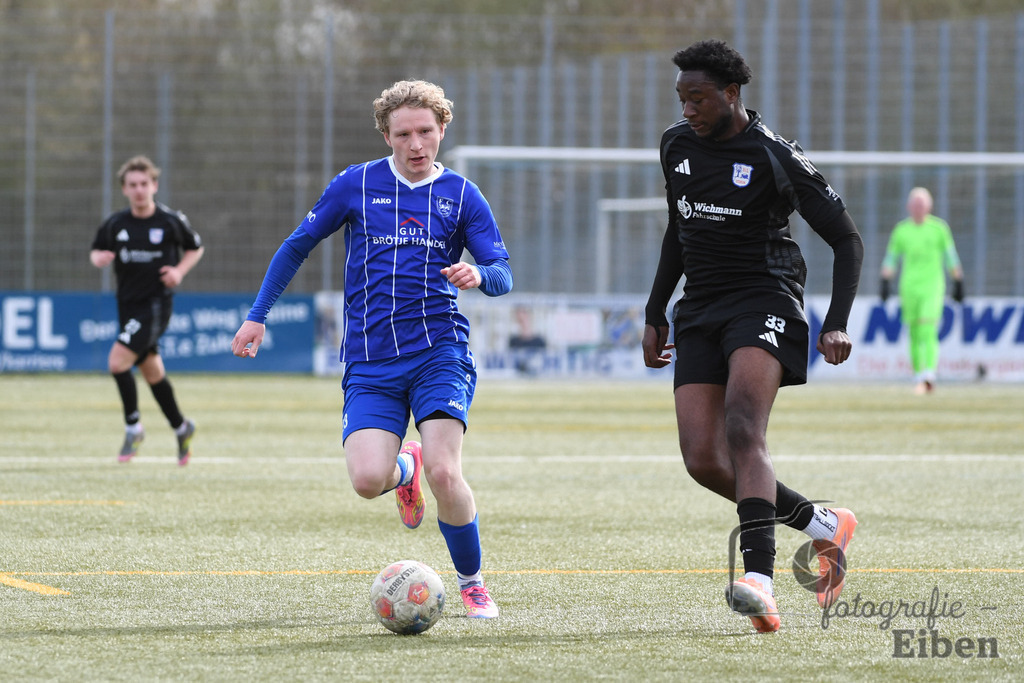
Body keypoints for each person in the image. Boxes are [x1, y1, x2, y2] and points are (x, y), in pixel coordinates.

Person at [231, 80, 512, 619]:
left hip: (439, 351)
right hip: (370, 360)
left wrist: (479, 273)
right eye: (403, 134)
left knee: (447, 473)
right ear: (386, 135)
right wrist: (257, 316)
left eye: (425, 132)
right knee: (366, 482)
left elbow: (503, 273)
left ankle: (473, 582)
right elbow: (296, 247)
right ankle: (404, 469)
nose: (415, 144)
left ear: (442, 129)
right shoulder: (355, 185)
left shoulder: (461, 195)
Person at [642, 40, 864, 633]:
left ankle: (759, 581)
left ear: (732, 94)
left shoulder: (773, 156)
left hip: (765, 298)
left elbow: (846, 239)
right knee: (703, 459)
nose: (687, 109)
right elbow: (676, 229)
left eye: (699, 98)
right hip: (701, 308)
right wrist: (655, 309)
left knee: (743, 425)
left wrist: (836, 321)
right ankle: (824, 525)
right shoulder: (675, 145)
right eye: (681, 98)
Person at [89, 155, 203, 465]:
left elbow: (195, 247)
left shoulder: (169, 220)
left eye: (144, 184)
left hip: (155, 306)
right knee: (152, 373)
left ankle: (133, 427)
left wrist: (179, 271)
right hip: (126, 305)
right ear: (124, 189)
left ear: (154, 185)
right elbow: (97, 249)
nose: (139, 190)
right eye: (132, 185)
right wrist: (98, 258)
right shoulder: (116, 223)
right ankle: (182, 427)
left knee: (117, 361)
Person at [880, 187, 964, 394]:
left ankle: (929, 375)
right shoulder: (902, 230)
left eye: (922, 204)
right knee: (915, 333)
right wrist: (885, 281)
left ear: (929, 206)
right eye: (915, 204)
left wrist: (958, 281)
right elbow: (892, 257)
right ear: (909, 207)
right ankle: (919, 376)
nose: (918, 208)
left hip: (932, 286)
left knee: (928, 329)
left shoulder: (939, 229)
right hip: (909, 288)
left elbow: (950, 256)